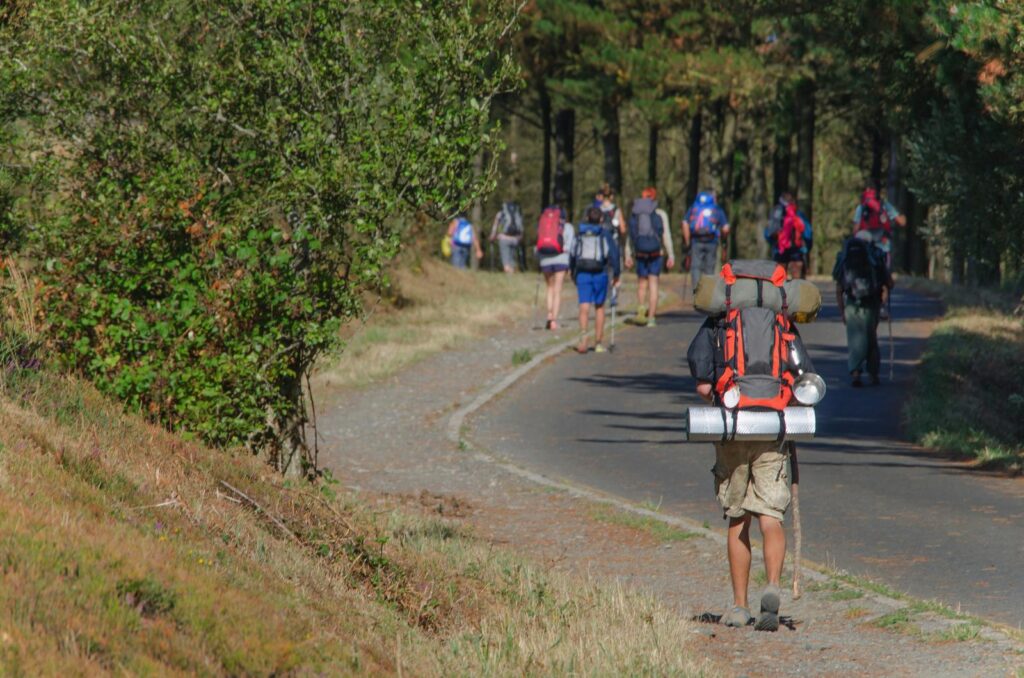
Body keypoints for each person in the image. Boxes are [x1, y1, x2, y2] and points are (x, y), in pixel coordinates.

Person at [686, 264, 811, 631]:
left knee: (738, 517)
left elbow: (704, 385)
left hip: (733, 428)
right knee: (771, 516)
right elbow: (803, 378)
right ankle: (772, 586)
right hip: (772, 426)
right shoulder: (782, 320)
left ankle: (739, 606)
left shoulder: (720, 318)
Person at [833, 231, 893, 387]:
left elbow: (839, 288)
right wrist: (883, 301)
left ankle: (856, 372)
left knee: (854, 338)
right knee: (871, 337)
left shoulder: (845, 257)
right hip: (872, 303)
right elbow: (889, 283)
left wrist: (842, 311)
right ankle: (873, 373)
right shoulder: (876, 255)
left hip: (851, 304)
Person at [571, 206, 621, 353]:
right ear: (601, 219)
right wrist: (616, 274)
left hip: (582, 273)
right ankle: (598, 342)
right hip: (600, 273)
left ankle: (583, 338)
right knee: (599, 307)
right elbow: (614, 255)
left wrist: (573, 272)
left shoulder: (580, 234)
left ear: (587, 218)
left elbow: (573, 255)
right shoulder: (604, 234)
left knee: (584, 306)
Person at [625, 187, 674, 327]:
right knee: (654, 284)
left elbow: (631, 235)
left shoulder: (635, 213)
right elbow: (666, 235)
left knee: (641, 283)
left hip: (640, 252)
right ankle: (651, 317)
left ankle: (641, 310)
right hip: (655, 253)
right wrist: (670, 254)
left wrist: (628, 254)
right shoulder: (660, 214)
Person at [536, 202, 574, 330]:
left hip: (545, 259)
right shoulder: (567, 227)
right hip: (561, 259)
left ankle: (549, 314)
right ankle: (553, 320)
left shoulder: (543, 225)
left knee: (549, 288)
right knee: (558, 289)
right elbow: (569, 247)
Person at [682, 191, 730, 290]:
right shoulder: (717, 209)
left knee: (695, 267)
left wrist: (687, 242)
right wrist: (724, 241)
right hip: (712, 241)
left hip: (696, 240)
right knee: (709, 267)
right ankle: (708, 293)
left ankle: (696, 292)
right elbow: (725, 228)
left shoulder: (694, 207)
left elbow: (685, 223)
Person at [851, 186, 905, 268]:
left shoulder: (861, 207)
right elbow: (901, 222)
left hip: (865, 242)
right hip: (882, 243)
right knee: (884, 270)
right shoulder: (885, 205)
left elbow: (856, 229)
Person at [489, 201, 524, 273]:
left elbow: (495, 226)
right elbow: (521, 227)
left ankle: (508, 275)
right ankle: (512, 273)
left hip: (504, 238)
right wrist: (520, 237)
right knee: (512, 258)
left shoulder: (501, 213)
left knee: (506, 260)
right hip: (515, 239)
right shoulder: (517, 213)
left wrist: (493, 236)